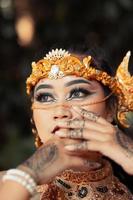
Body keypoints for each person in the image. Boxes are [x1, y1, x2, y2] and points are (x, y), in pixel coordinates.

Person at [0, 48, 133, 200]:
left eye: (78, 93)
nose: (60, 111)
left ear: (111, 109)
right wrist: (28, 174)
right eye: (44, 97)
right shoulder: (6, 186)